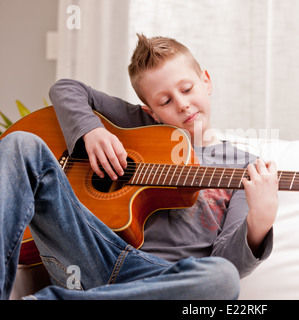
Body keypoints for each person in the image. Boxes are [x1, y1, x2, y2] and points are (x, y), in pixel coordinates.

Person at [0, 35, 278, 300]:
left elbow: (226, 262)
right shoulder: (145, 127)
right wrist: (92, 131)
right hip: (93, 252)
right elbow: (66, 89)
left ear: (206, 81)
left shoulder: (244, 167)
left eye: (187, 89)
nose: (182, 104)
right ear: (151, 112)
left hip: (162, 279)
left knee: (221, 277)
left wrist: (259, 221)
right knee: (20, 143)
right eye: (165, 101)